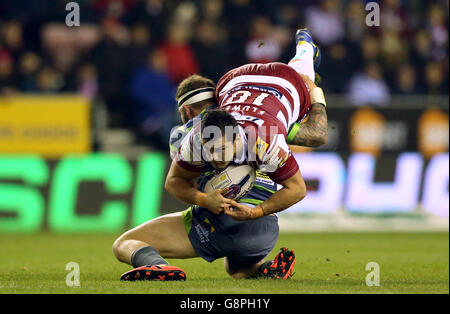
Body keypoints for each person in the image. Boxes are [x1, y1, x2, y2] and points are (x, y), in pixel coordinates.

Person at [113, 29, 328, 281]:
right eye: (210, 149)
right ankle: (263, 270)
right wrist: (316, 96)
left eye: (221, 149)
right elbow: (315, 137)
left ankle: (159, 267)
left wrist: (207, 200)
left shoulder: (188, 135)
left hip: (226, 221)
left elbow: (176, 181)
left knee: (125, 242)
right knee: (235, 269)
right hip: (262, 233)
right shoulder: (264, 134)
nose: (215, 157)